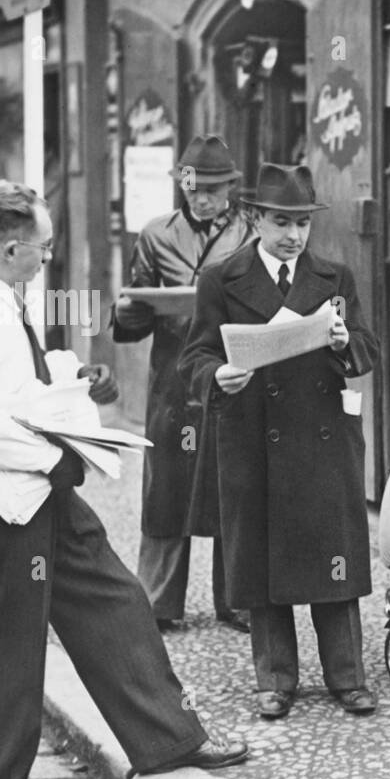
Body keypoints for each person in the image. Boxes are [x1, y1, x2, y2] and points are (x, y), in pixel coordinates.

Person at [0, 180, 247, 779]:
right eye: (42, 248)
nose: (47, 258)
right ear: (10, 247)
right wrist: (52, 460)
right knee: (7, 646)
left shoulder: (4, 300)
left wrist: (75, 381)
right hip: (5, 498)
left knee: (116, 601)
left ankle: (167, 740)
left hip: (41, 493)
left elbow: (20, 390)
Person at [180, 164, 379, 721]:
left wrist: (343, 343)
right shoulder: (221, 279)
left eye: (302, 224)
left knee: (333, 557)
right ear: (254, 218)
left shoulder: (334, 277)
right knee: (265, 563)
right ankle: (275, 679)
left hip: (323, 439)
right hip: (253, 438)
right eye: (281, 222)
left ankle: (347, 676)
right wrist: (217, 376)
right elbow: (194, 357)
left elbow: (367, 347)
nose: (293, 236)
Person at [112, 135, 255, 634]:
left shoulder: (251, 235)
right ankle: (157, 601)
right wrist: (126, 313)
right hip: (173, 384)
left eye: (213, 188)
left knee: (232, 487)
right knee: (166, 491)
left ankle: (237, 599)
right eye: (193, 186)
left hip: (228, 376)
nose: (202, 197)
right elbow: (134, 315)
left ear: (231, 189)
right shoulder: (155, 235)